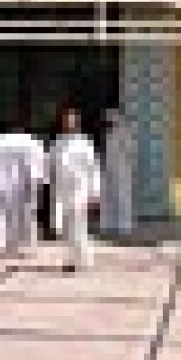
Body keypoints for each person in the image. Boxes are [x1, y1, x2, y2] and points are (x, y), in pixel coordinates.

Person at [49, 106, 102, 272]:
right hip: (62, 189)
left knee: (78, 224)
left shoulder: (85, 143)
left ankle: (84, 259)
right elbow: (50, 164)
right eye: (66, 120)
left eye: (72, 120)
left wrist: (95, 193)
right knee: (65, 226)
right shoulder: (57, 142)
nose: (68, 123)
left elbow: (93, 168)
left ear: (77, 122)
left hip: (80, 187)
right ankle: (71, 260)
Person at [0, 117, 46, 260]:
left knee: (1, 215)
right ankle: (25, 248)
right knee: (27, 215)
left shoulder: (0, 142)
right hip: (25, 184)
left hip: (3, 184)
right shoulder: (32, 143)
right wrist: (39, 183)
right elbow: (38, 165)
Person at [100, 108, 136, 236]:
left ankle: (124, 226)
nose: (110, 122)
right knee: (108, 197)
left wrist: (126, 165)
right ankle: (109, 225)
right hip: (109, 169)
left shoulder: (124, 132)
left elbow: (130, 151)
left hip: (122, 170)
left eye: (112, 119)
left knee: (123, 197)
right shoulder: (109, 133)